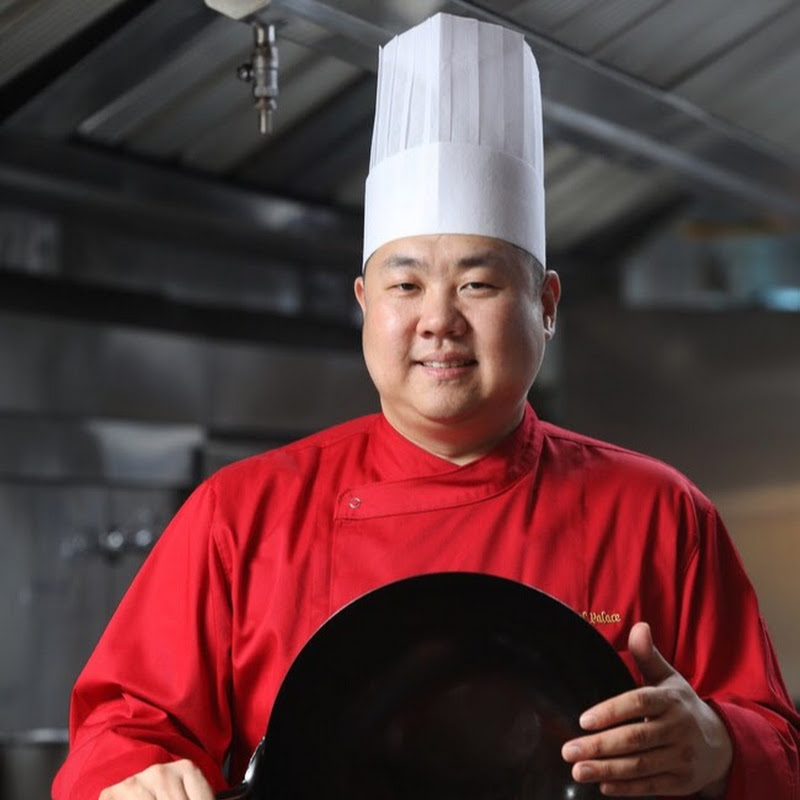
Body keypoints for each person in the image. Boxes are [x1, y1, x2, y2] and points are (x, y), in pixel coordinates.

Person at [53, 13, 798, 800]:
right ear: (363, 303)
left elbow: (779, 746)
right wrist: (132, 779)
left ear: (546, 304)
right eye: (405, 284)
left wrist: (719, 744)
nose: (438, 320)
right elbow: (123, 728)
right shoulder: (240, 517)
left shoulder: (658, 512)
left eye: (477, 283)